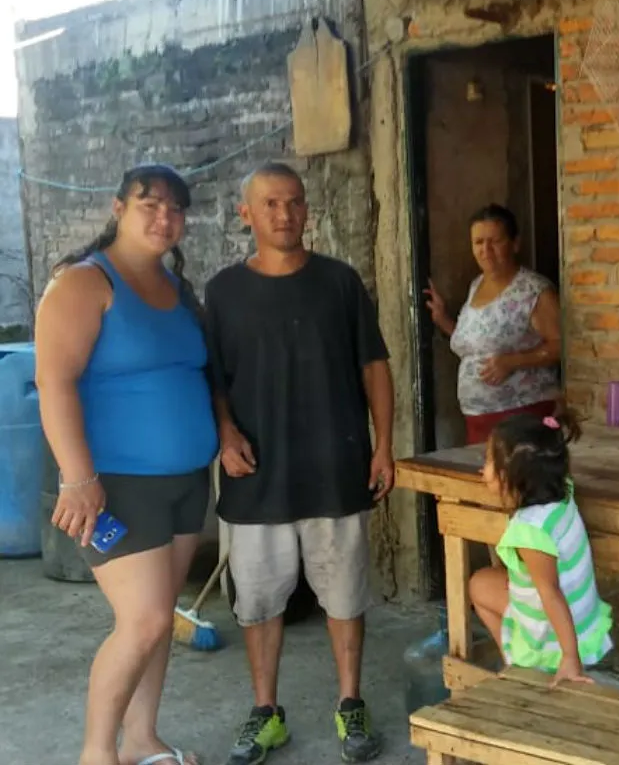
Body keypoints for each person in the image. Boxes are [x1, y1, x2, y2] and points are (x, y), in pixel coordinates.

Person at [204, 162, 394, 765]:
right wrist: (225, 433)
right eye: (269, 204)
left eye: (293, 203)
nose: (283, 215)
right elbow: (213, 381)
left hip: (335, 468)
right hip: (255, 475)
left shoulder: (340, 282)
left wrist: (383, 444)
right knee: (258, 602)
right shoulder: (224, 291)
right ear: (246, 214)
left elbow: (374, 367)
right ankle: (266, 713)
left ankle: (350, 705)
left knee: (344, 594)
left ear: (307, 209)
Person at [35, 164, 217, 765]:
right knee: (141, 621)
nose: (165, 217)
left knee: (161, 620)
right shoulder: (86, 284)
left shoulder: (175, 289)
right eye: (150, 204)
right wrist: (79, 479)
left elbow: (195, 376)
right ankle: (97, 753)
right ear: (118, 208)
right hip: (118, 486)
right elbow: (54, 382)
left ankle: (142, 739)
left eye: (175, 208)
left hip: (186, 482)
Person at [468, 408, 614, 684]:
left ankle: (523, 666)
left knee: (478, 586)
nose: (482, 470)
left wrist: (570, 658)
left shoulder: (530, 531)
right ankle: (521, 665)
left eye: (489, 462)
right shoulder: (562, 492)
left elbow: (550, 594)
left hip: (554, 637)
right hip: (583, 618)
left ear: (512, 476)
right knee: (483, 581)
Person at [424, 204, 562, 446]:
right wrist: (443, 319)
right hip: (477, 420)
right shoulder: (476, 285)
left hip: (520, 417)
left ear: (515, 243)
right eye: (478, 242)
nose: (485, 250)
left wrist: (512, 361)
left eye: (495, 241)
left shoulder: (534, 291)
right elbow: (476, 346)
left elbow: (561, 346)